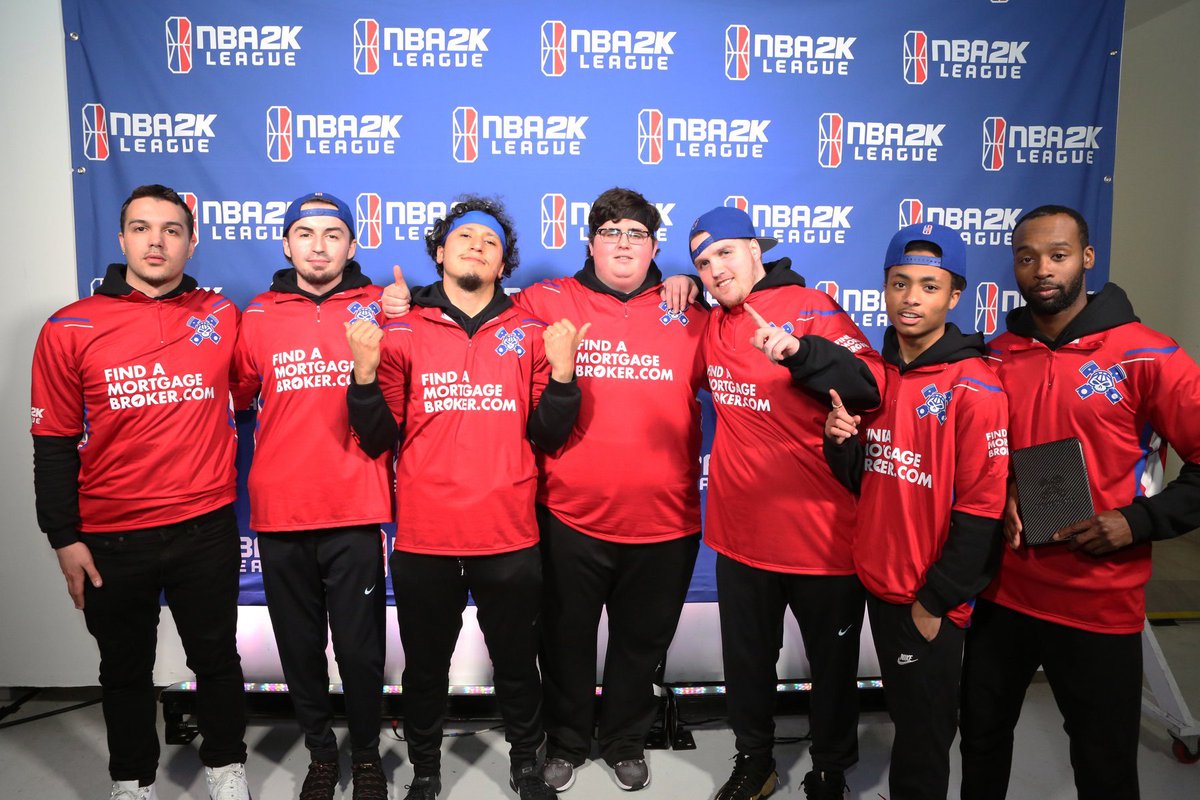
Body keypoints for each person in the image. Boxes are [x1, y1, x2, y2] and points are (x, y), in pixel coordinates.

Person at [381, 187, 707, 793]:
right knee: (562, 641)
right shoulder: (542, 301)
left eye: (637, 235)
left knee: (641, 643)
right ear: (590, 243)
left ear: (655, 246)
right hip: (568, 514)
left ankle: (626, 740)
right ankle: (566, 742)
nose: (623, 245)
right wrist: (400, 301)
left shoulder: (689, 310)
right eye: (610, 233)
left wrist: (690, 283)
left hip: (665, 516)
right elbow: (468, 298)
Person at [344, 196, 584, 800]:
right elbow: (376, 437)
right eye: (464, 237)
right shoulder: (401, 330)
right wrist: (364, 375)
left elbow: (549, 435)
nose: (477, 246)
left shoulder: (532, 332)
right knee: (425, 670)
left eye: (490, 242)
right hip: (425, 538)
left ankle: (526, 766)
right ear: (438, 253)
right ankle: (425, 773)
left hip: (509, 536)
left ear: (503, 265)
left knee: (518, 666)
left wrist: (563, 376)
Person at [957, 205, 1200, 800]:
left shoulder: (1148, 354)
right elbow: (979, 452)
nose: (1042, 269)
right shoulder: (994, 355)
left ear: (1087, 258)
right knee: (981, 741)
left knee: (1103, 762)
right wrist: (1003, 487)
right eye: (1027, 257)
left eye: (1058, 255)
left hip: (1097, 601)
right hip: (1004, 591)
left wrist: (1138, 521)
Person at [30, 184, 250, 800]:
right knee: (124, 668)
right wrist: (63, 537)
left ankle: (226, 767)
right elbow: (52, 440)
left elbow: (254, 387)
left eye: (172, 230)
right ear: (121, 238)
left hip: (205, 525)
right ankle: (131, 780)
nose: (157, 241)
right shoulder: (69, 326)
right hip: (111, 536)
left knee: (217, 659)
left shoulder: (220, 315)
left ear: (191, 242)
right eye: (142, 228)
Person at [688, 206, 885, 800]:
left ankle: (830, 769)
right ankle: (755, 762)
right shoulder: (711, 322)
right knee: (747, 664)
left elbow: (870, 385)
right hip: (739, 536)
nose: (716, 269)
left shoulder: (811, 306)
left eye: (725, 252)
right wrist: (669, 283)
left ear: (756, 250)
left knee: (832, 667)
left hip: (821, 535)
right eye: (702, 262)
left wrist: (801, 353)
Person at [823, 223, 1008, 800]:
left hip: (926, 596)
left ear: (954, 297)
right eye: (900, 283)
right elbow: (866, 479)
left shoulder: (976, 387)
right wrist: (840, 443)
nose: (911, 298)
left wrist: (936, 600)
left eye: (929, 286)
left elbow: (982, 511)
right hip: (876, 579)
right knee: (906, 720)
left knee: (924, 741)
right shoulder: (874, 376)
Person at [229, 192, 391, 800]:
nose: (318, 246)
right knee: (299, 650)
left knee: (360, 651)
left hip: (355, 508)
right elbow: (237, 397)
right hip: (280, 512)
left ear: (352, 245)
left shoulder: (382, 307)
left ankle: (368, 757)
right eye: (305, 233)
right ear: (286, 244)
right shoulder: (257, 315)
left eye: (332, 234)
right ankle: (322, 756)